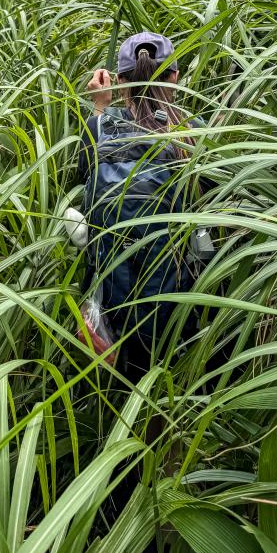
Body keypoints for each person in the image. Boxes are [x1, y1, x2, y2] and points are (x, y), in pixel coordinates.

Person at [78, 31, 205, 378]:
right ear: (174, 77)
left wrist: (100, 107)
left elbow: (83, 181)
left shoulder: (98, 128)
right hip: (178, 304)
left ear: (120, 81)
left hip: (113, 307)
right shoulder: (192, 131)